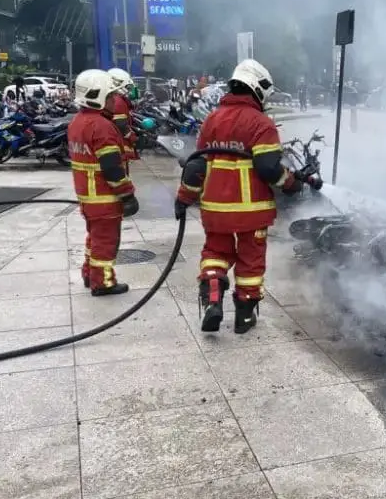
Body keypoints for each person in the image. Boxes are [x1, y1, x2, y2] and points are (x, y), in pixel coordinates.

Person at [173, 59, 322, 334]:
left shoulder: (212, 121)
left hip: (215, 210)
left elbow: (197, 165)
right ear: (258, 88)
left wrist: (183, 198)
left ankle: (213, 300)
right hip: (251, 211)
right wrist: (291, 184)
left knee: (215, 254)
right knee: (250, 262)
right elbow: (268, 168)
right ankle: (243, 317)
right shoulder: (261, 124)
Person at [68, 69, 140, 296]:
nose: (113, 101)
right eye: (110, 97)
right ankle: (103, 282)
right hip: (104, 196)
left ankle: (89, 273)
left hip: (87, 196)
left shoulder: (77, 122)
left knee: (94, 237)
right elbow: (111, 168)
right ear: (97, 96)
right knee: (106, 241)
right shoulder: (101, 126)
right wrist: (127, 194)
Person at [107, 67, 140, 164]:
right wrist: (131, 136)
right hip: (120, 146)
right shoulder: (118, 101)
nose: (128, 91)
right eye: (127, 87)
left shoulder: (115, 99)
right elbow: (120, 124)